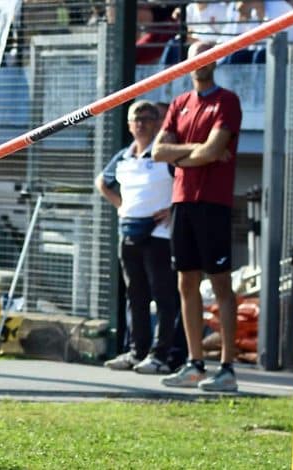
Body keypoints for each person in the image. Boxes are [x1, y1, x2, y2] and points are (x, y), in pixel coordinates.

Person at [152, 41, 242, 392]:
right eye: (195, 58)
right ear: (187, 64)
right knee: (185, 283)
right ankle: (194, 363)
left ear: (215, 62)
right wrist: (195, 153)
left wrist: (185, 155)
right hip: (182, 201)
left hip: (213, 203)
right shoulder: (178, 104)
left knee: (220, 284)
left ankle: (228, 369)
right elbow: (159, 151)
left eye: (207, 57)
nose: (201, 63)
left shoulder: (227, 101)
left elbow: (214, 150)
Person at [95, 101, 178, 374]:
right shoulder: (123, 157)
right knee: (135, 295)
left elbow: (184, 180)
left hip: (158, 235)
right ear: (129, 125)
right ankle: (136, 351)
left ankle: (161, 355)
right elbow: (102, 182)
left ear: (157, 123)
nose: (141, 123)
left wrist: (172, 209)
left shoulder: (164, 154)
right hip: (128, 232)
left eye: (147, 117)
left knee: (163, 296)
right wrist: (121, 205)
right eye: (136, 118)